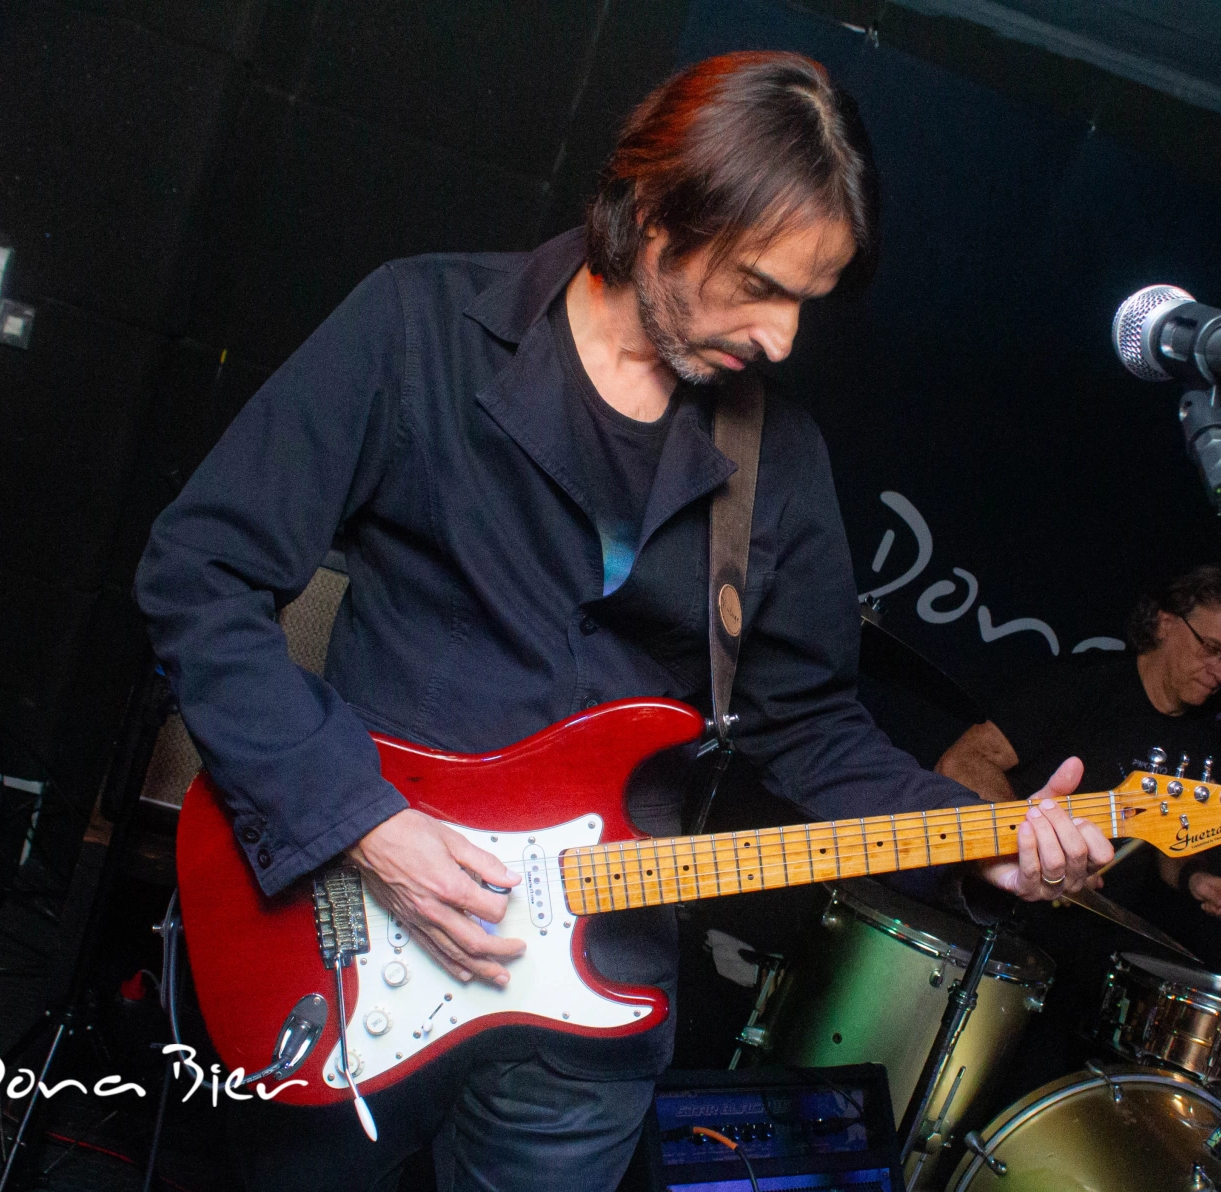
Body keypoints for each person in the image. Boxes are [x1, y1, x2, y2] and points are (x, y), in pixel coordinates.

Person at [136, 52, 1109, 1191]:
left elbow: (811, 726)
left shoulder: (779, 457)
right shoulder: (421, 325)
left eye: (807, 302)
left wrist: (980, 836)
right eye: (758, 285)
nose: (782, 338)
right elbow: (200, 574)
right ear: (653, 213)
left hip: (597, 995)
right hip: (350, 930)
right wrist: (362, 822)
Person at [938, 563, 1221, 916]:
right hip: (999, 908)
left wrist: (1194, 877)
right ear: (1165, 623)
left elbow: (1167, 839)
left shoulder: (1203, 740)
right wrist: (1028, 844)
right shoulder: (1084, 684)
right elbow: (963, 761)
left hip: (1093, 928)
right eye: (1212, 649)